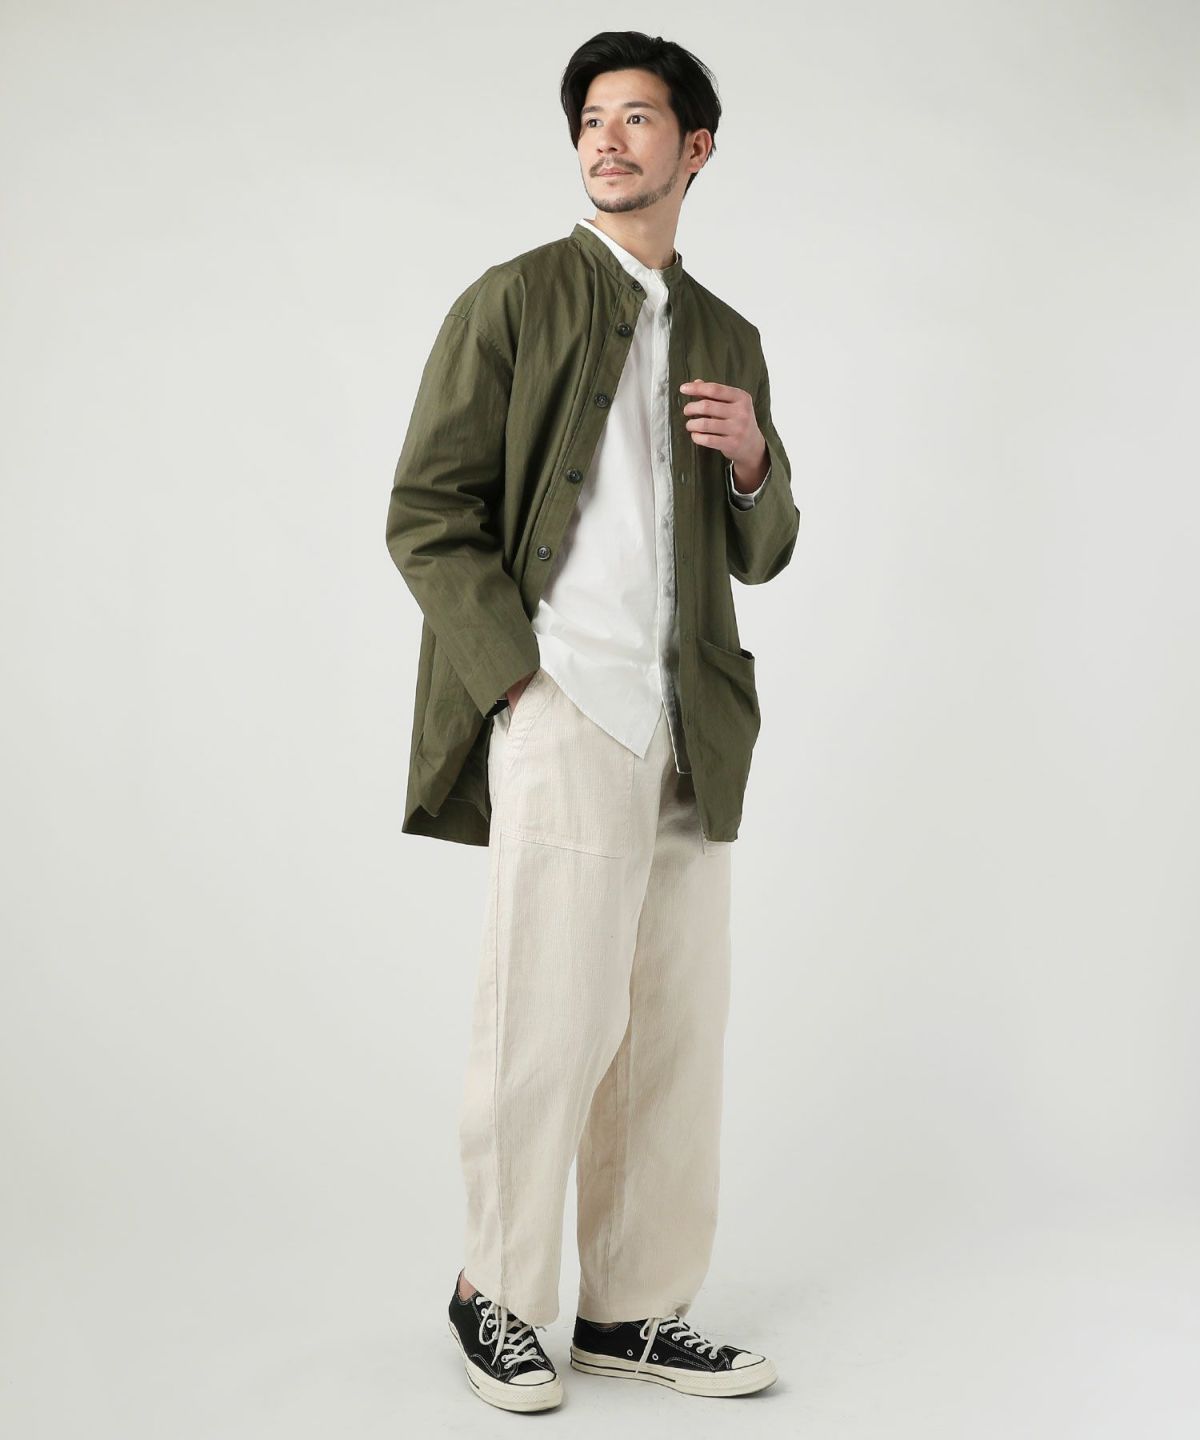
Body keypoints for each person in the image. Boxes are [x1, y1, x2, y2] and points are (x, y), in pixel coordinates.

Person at [385, 30, 800, 1412]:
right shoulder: (514, 300)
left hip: (693, 723)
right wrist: (519, 680)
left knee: (674, 1031)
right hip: (568, 706)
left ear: (697, 148)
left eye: (638, 118)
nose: (607, 139)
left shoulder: (728, 335)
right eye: (592, 119)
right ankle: (496, 1294)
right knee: (546, 1025)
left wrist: (754, 461)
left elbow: (764, 551)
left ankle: (633, 1309)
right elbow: (426, 512)